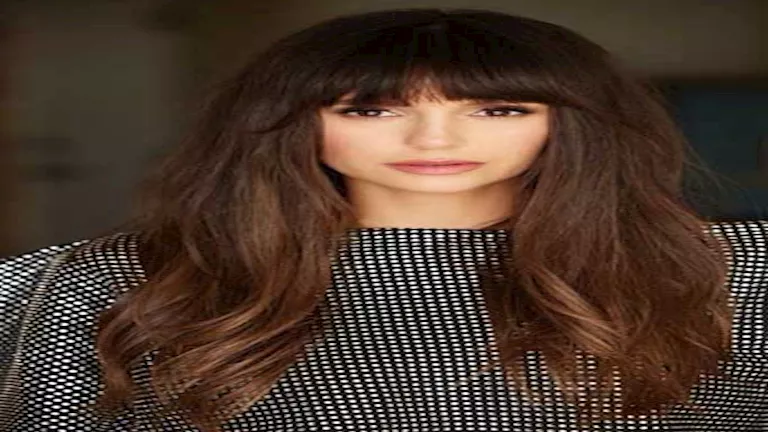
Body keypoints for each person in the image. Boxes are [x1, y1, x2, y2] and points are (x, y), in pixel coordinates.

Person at [1, 7, 766, 432]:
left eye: (498, 109)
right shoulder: (115, 281)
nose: (435, 139)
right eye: (372, 109)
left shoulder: (736, 273)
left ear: (571, 124)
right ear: (292, 122)